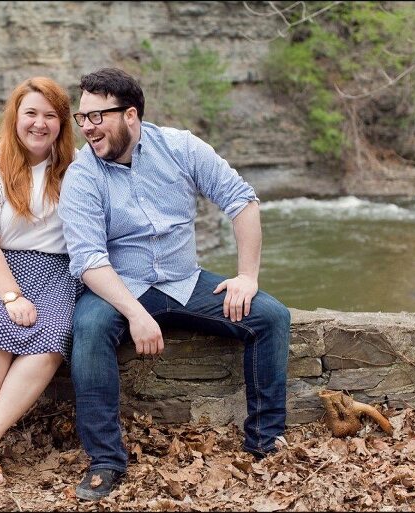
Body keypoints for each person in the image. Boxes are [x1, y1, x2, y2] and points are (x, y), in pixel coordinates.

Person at [58, 67, 291, 501]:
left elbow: (242, 201)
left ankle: (265, 442)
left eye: (97, 116)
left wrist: (247, 276)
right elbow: (88, 260)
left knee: (272, 317)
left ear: (130, 115)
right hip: (119, 287)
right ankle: (105, 460)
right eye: (82, 117)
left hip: (186, 281)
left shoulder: (181, 146)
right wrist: (135, 313)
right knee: (87, 331)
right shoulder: (82, 175)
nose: (87, 127)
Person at [0, 76, 79, 494]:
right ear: (16, 117)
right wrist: (11, 295)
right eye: (31, 113)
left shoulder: (77, 166)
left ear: (62, 122)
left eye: (50, 115)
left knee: (51, 339)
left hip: (57, 272)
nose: (39, 123)